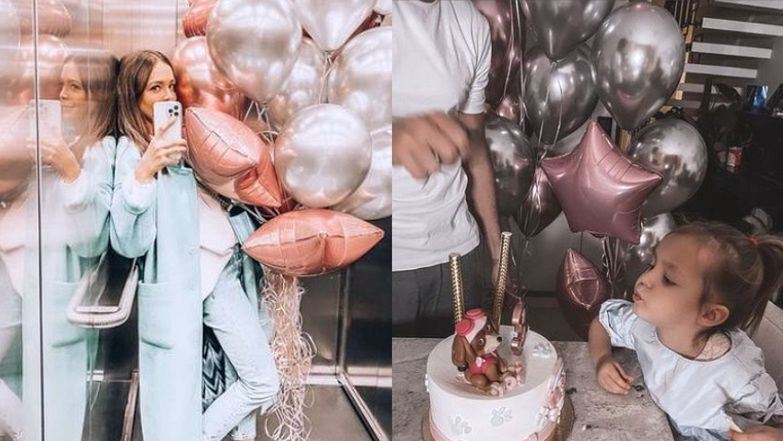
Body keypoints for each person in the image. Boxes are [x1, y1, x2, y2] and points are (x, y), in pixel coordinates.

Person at [111, 49, 278, 441]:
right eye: (155, 88)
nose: (169, 96)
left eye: (171, 85)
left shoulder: (188, 137)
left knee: (245, 378)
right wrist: (145, 171)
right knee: (261, 381)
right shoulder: (132, 153)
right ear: (134, 97)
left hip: (229, 265)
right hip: (202, 279)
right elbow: (128, 241)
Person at [0, 49, 118, 441]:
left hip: (52, 290)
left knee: (55, 408)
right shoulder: (56, 140)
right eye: (62, 85)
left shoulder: (100, 152)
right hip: (16, 270)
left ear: (96, 96)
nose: (63, 95)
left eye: (75, 87)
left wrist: (69, 169)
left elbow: (92, 239)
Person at [589, 222, 783, 441]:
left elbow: (777, 419)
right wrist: (602, 359)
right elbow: (602, 323)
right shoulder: (644, 325)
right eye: (652, 265)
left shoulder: (737, 375)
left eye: (668, 279)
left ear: (710, 314)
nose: (644, 279)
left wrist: (775, 435)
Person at [391, 0, 501, 337]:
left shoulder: (472, 25)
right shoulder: (364, 14)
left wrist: (496, 250)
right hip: (385, 259)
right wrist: (392, 137)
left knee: (465, 365)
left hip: (459, 254)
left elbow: (475, 149)